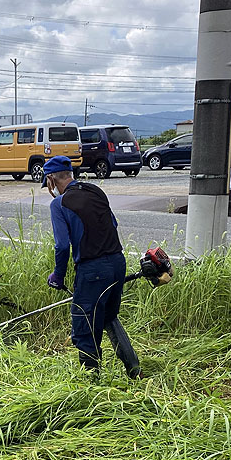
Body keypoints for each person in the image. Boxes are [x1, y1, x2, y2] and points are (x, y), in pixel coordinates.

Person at [43, 155, 140, 378]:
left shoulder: (58, 204)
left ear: (51, 181)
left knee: (84, 326)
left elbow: (60, 246)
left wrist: (58, 275)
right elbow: (112, 224)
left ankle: (91, 383)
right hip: (118, 262)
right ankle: (135, 371)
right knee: (108, 317)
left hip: (93, 270)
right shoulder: (96, 191)